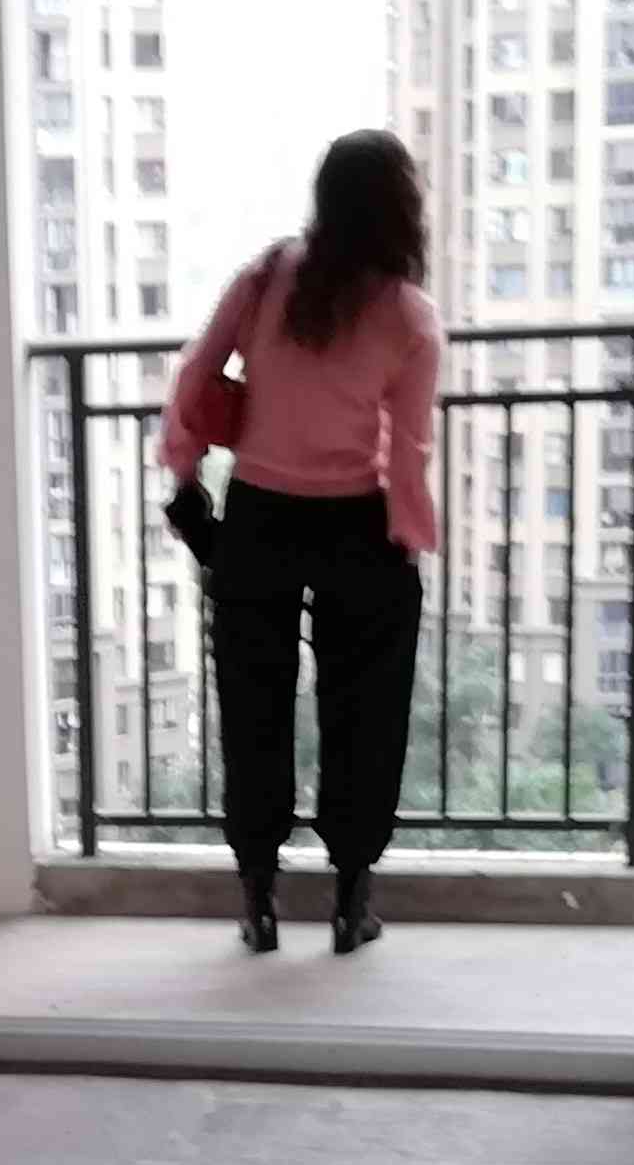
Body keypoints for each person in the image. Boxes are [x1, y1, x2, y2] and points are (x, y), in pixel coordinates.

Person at [158, 130, 444, 956]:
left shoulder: (266, 277)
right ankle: (352, 902)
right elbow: (410, 449)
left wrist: (184, 472)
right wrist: (409, 536)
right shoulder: (409, 315)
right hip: (359, 526)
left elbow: (196, 376)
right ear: (402, 209)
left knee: (252, 706)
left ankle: (258, 901)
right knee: (366, 712)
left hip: (259, 519)